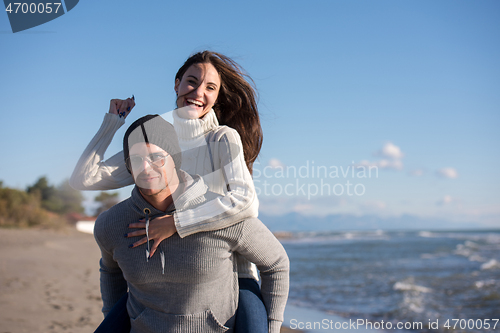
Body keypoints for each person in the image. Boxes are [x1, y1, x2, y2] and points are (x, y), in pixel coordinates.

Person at [70, 51, 268, 330]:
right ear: (176, 84)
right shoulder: (155, 143)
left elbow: (246, 202)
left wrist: (176, 223)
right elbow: (84, 179)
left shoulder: (222, 138)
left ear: (218, 95)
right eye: (191, 81)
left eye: (210, 87)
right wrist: (113, 122)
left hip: (233, 272)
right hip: (165, 276)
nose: (198, 92)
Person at [94, 114, 288, 333]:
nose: (146, 168)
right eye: (136, 160)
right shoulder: (111, 224)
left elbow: (276, 264)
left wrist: (272, 326)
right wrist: (111, 317)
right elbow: (110, 271)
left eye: (156, 157)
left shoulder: (219, 213)